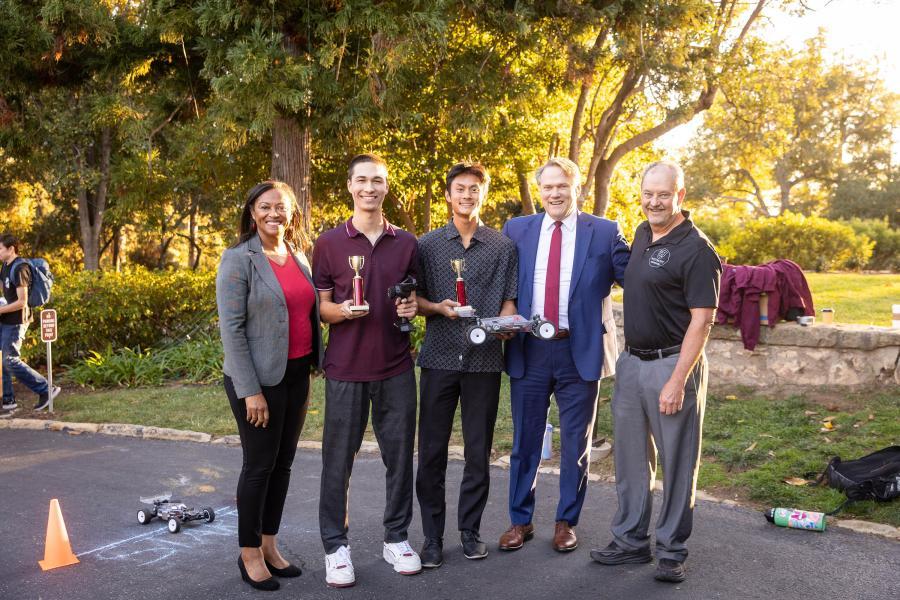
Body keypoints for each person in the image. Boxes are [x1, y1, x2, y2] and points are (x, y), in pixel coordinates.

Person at [590, 160, 721, 584]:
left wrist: (677, 380)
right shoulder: (644, 233)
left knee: (678, 462)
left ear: (680, 196)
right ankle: (630, 541)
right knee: (630, 461)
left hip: (671, 365)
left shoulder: (698, 250)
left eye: (663, 194)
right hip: (632, 363)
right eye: (648, 194)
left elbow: (702, 321)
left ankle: (671, 550)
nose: (654, 201)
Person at [499, 158, 630, 553]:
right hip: (530, 349)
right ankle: (520, 521)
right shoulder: (517, 230)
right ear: (540, 191)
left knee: (576, 443)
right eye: (548, 187)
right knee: (525, 440)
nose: (555, 193)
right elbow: (499, 279)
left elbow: (637, 276)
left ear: (577, 189)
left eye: (562, 186)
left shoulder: (604, 232)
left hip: (580, 351)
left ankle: (565, 521)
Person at [312, 153, 420, 588]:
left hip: (395, 367)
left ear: (386, 187)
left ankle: (396, 537)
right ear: (350, 187)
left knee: (400, 458)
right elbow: (321, 308)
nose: (369, 188)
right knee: (337, 462)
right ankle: (336, 547)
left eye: (377, 181)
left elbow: (415, 301)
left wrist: (412, 307)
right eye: (362, 181)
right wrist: (341, 310)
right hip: (344, 369)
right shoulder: (329, 243)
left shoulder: (407, 243)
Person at [216, 181, 323, 592]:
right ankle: (249, 554)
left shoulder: (298, 256)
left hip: (297, 375)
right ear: (252, 212)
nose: (274, 213)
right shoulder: (237, 259)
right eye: (265, 207)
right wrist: (250, 391)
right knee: (258, 466)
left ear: (292, 213)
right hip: (257, 381)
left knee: (283, 465)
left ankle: (270, 545)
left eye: (281, 207)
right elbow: (232, 331)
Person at [414, 163, 518, 567]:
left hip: (485, 361)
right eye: (460, 189)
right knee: (432, 452)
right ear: (448, 195)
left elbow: (509, 299)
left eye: (475, 189)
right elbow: (416, 300)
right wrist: (437, 307)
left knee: (478, 452)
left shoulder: (502, 246)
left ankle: (470, 532)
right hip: (439, 357)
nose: (467, 195)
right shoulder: (427, 246)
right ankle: (433, 538)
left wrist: (506, 324)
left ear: (483, 195)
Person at [0, 233, 59, 412]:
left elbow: (22, 302)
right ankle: (8, 401)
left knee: (10, 360)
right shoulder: (5, 266)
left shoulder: (21, 268)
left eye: (0, 249)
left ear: (11, 249)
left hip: (17, 321)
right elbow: (7, 292)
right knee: (3, 359)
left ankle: (46, 389)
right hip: (6, 319)